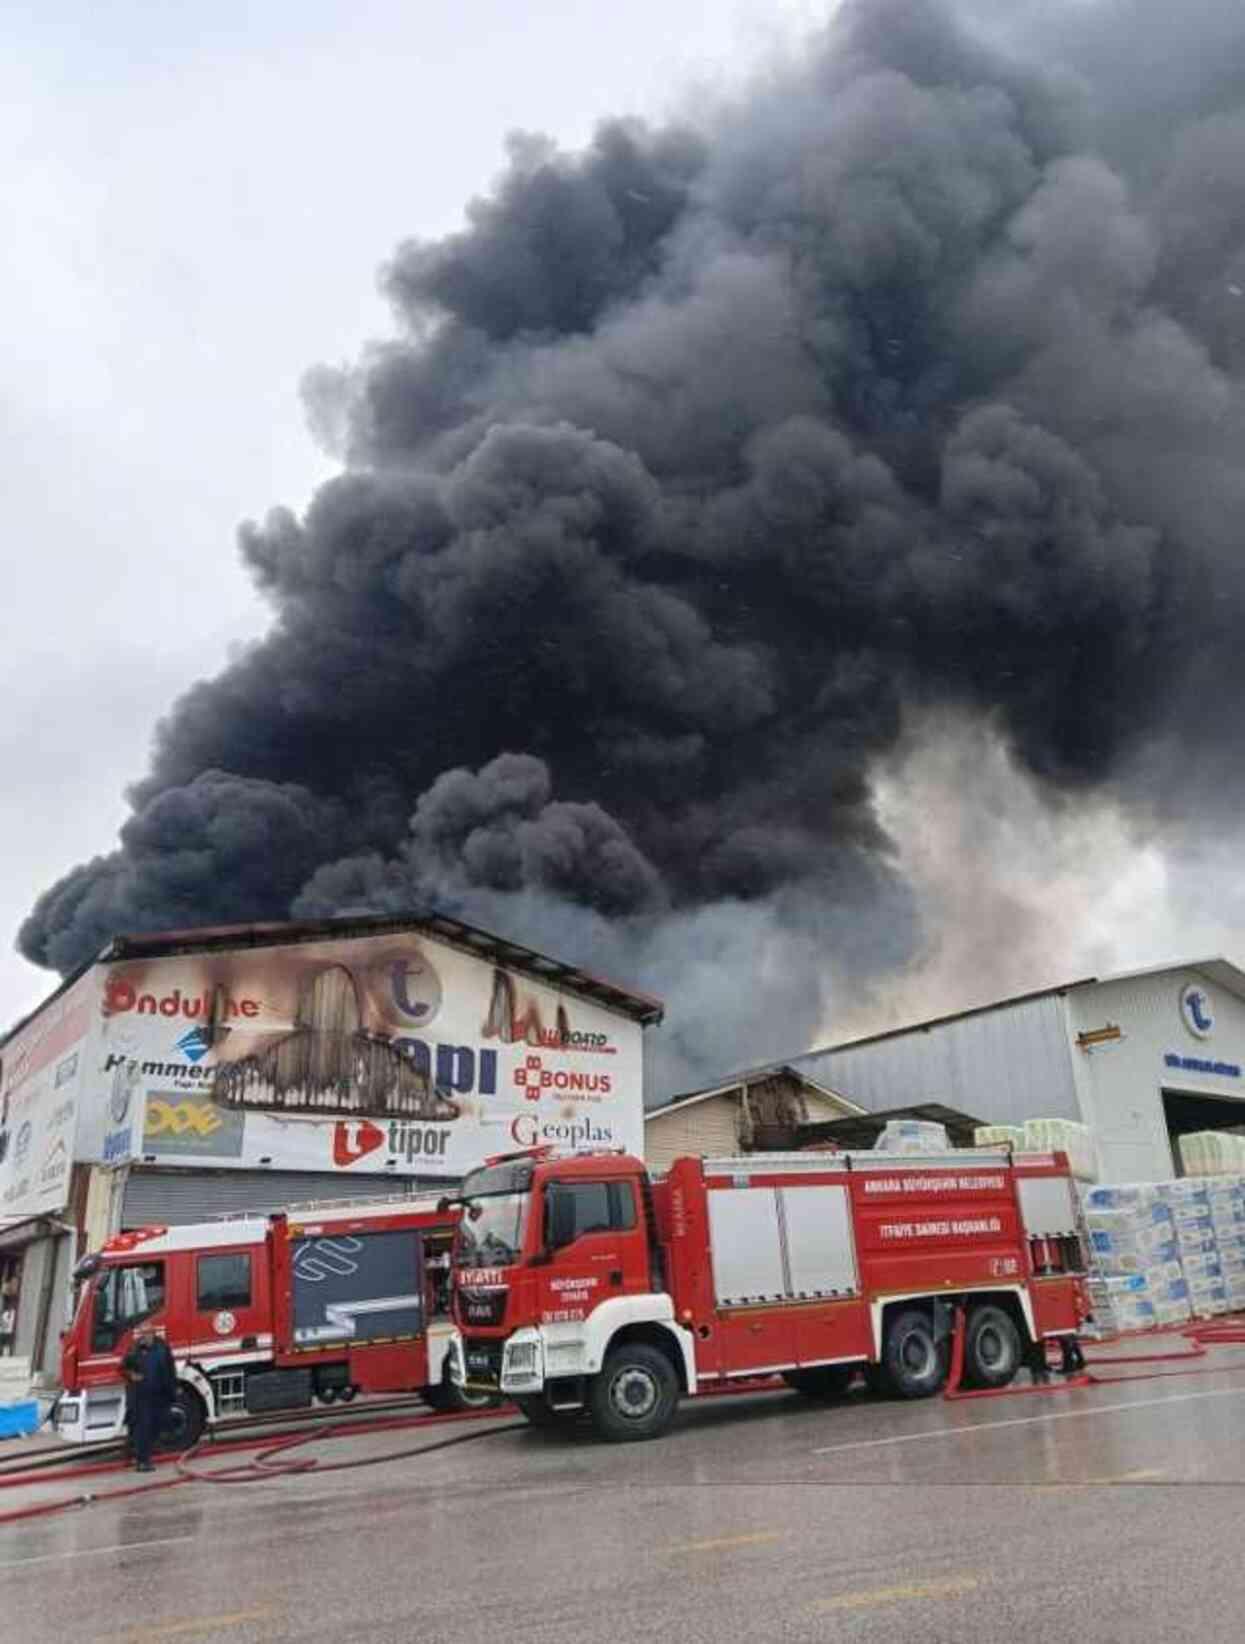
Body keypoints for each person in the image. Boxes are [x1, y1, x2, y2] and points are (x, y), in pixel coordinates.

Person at [122, 1324, 177, 1471]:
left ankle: (135, 1452)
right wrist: (131, 1375)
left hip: (159, 1394)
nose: (144, 1336)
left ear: (153, 1333)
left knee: (157, 1424)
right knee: (143, 1427)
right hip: (141, 1396)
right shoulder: (134, 1350)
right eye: (142, 1333)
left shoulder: (162, 1348)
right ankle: (142, 1462)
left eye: (147, 1333)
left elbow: (170, 1369)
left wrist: (173, 1390)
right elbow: (123, 1368)